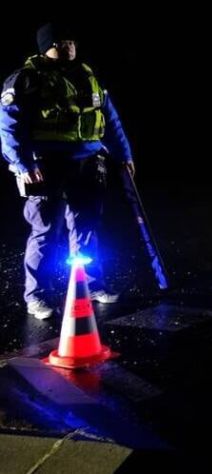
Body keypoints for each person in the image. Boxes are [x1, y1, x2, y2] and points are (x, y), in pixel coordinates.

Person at [1, 23, 134, 320]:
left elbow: (109, 119)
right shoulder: (26, 79)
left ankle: (91, 286)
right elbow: (8, 127)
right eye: (61, 42)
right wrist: (23, 165)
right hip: (45, 164)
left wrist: (124, 155)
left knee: (86, 227)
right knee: (46, 231)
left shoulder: (87, 75)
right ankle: (36, 297)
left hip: (87, 162)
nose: (69, 46)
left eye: (72, 40)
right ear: (46, 46)